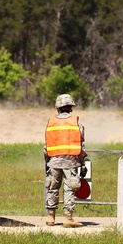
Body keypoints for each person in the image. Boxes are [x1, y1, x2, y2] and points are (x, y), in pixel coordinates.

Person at [44, 93, 85, 228]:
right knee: (69, 189)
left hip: (53, 161)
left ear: (58, 108)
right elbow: (81, 144)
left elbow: (47, 145)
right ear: (71, 107)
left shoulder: (51, 122)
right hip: (71, 161)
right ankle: (68, 218)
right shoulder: (76, 121)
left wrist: (47, 161)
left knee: (52, 188)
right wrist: (83, 163)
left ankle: (51, 217)